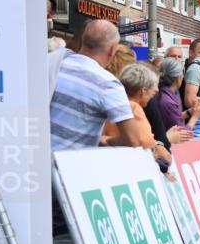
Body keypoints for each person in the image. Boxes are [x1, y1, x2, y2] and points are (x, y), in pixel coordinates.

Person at [50, 20, 141, 152]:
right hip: (69, 166)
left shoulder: (56, 64)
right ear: (112, 49)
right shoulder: (108, 84)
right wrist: (109, 141)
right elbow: (133, 139)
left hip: (37, 160)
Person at [102, 62, 172, 170]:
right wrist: (157, 147)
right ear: (142, 92)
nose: (157, 90)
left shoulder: (113, 104)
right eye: (152, 90)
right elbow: (146, 142)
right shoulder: (134, 108)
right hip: (131, 166)